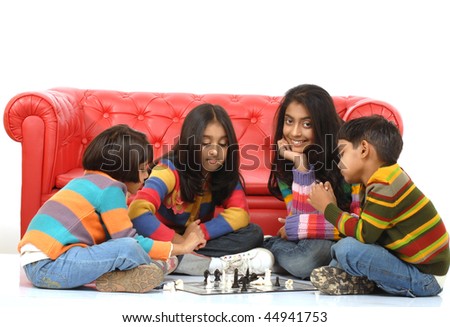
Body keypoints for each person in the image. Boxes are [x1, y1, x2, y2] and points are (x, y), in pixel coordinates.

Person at [18, 124, 204, 293]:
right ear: (124, 168)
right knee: (129, 246)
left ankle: (129, 274)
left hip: (39, 266)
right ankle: (156, 267)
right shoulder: (110, 188)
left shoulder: (87, 182)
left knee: (121, 246)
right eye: (142, 169)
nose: (147, 175)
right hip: (51, 265)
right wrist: (181, 247)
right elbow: (127, 242)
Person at [308, 115, 450, 296]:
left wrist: (328, 207)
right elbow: (370, 233)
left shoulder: (385, 184)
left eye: (342, 153)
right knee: (345, 248)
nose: (338, 162)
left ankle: (358, 280)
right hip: (412, 267)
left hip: (425, 278)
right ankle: (355, 279)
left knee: (347, 249)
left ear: (364, 150)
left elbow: (365, 234)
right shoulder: (383, 179)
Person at [129, 103, 274, 276]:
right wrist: (180, 241)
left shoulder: (222, 173)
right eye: (205, 144)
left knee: (254, 233)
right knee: (134, 240)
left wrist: (199, 234)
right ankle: (197, 261)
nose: (215, 151)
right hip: (158, 237)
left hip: (194, 240)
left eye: (223, 144)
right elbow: (137, 212)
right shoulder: (167, 170)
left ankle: (180, 260)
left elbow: (240, 213)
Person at [263, 84, 361, 279]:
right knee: (307, 257)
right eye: (289, 121)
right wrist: (301, 166)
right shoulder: (287, 161)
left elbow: (361, 227)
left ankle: (268, 252)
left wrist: (296, 226)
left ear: (322, 125)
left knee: (311, 257)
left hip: (347, 239)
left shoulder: (349, 158)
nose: (295, 133)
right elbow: (299, 220)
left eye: (307, 124)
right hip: (318, 239)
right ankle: (272, 254)